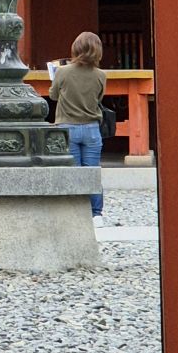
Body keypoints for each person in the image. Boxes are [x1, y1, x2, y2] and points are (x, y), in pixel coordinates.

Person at [49, 30, 108, 226]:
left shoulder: (63, 72)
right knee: (92, 171)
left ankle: (74, 211)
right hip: (91, 127)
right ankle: (96, 213)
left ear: (76, 48)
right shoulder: (100, 75)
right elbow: (99, 98)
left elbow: (53, 95)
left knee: (72, 171)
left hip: (67, 127)